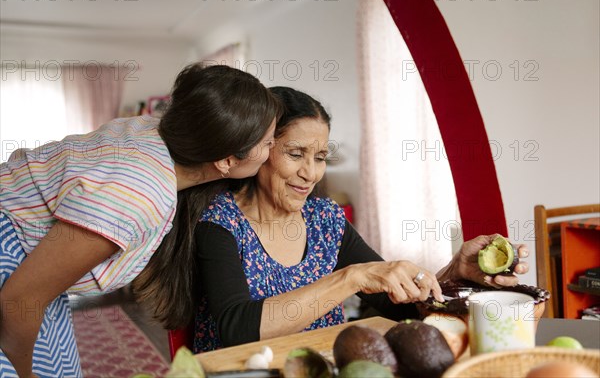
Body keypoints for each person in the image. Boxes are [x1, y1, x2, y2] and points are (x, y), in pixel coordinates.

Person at [192, 86, 529, 352]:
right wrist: (351, 278)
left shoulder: (324, 220)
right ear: (262, 150)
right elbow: (237, 329)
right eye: (295, 154)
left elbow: (397, 306)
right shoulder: (220, 221)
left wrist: (456, 271)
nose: (310, 173)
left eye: (320, 157)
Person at [0, 64, 281, 377]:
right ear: (227, 160)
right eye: (268, 143)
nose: (272, 153)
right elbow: (18, 300)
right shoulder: (135, 196)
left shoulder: (155, 130)